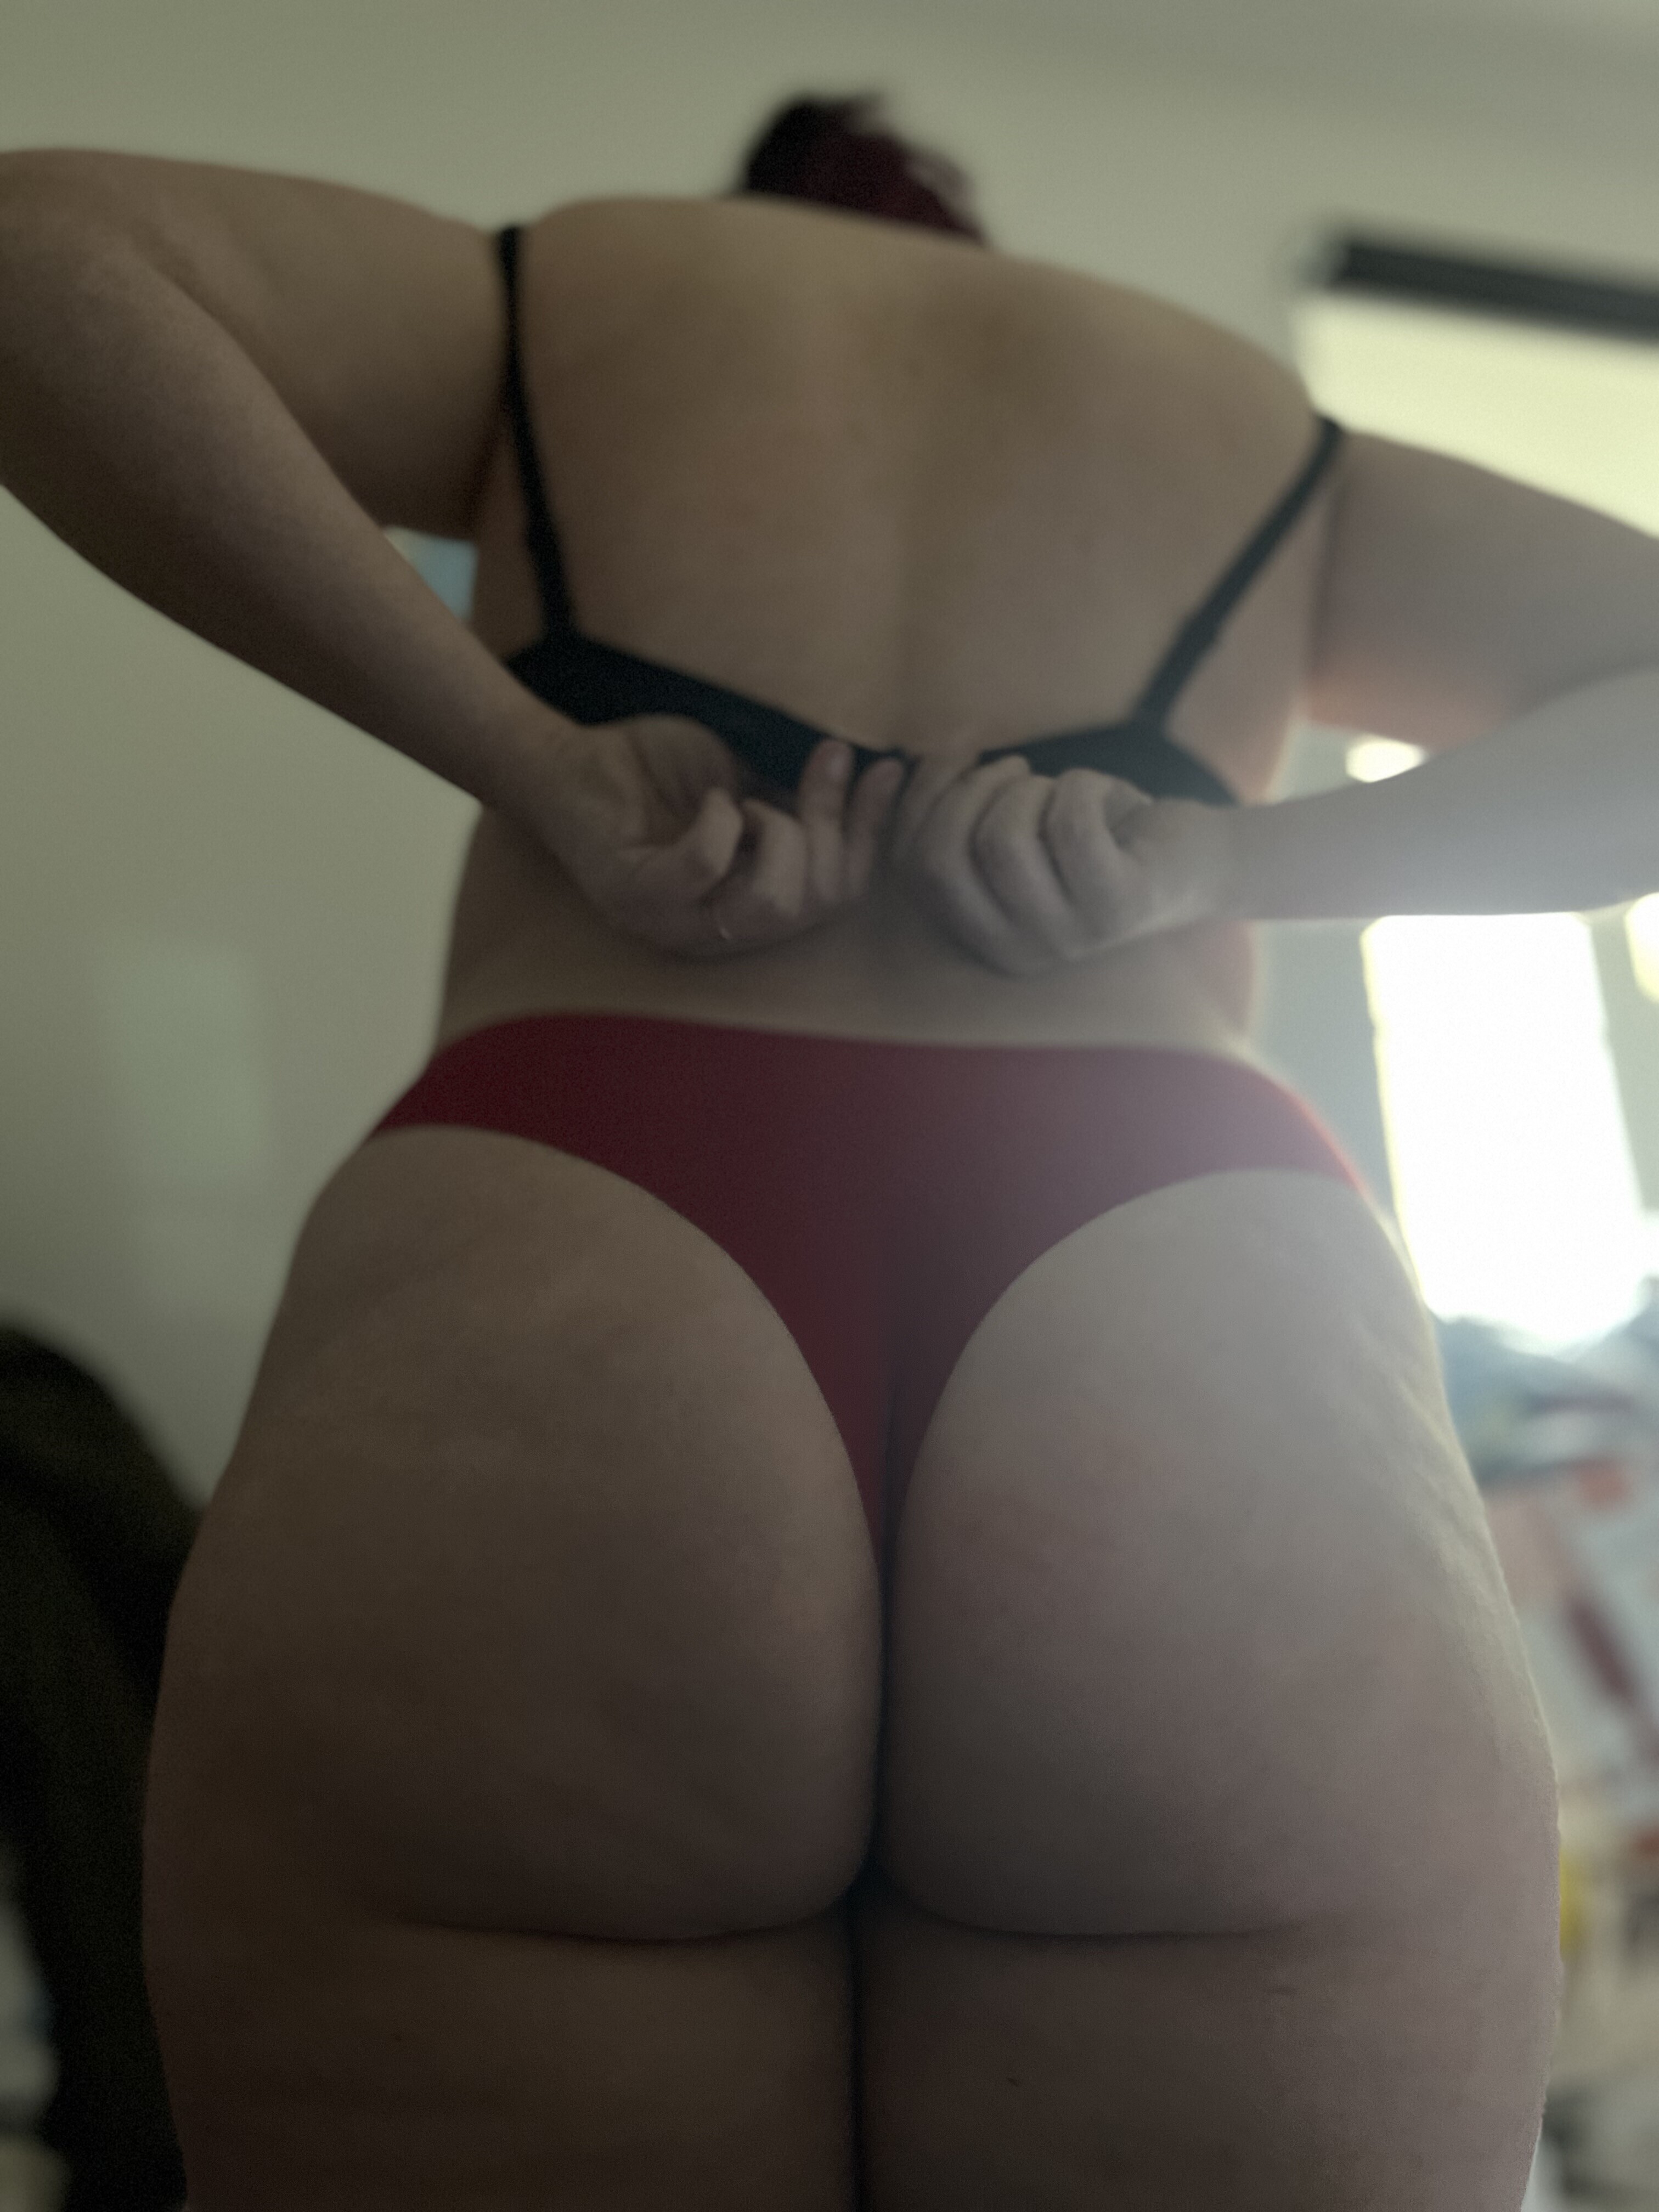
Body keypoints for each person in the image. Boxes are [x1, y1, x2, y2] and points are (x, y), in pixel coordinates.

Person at [7, 87, 1657, 2210]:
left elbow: (43, 259)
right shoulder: (1235, 420)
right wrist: (1214, 863)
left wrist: (528, 755)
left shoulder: (575, 293)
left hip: (577, 1236)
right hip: (1190, 1311)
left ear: (757, 215)